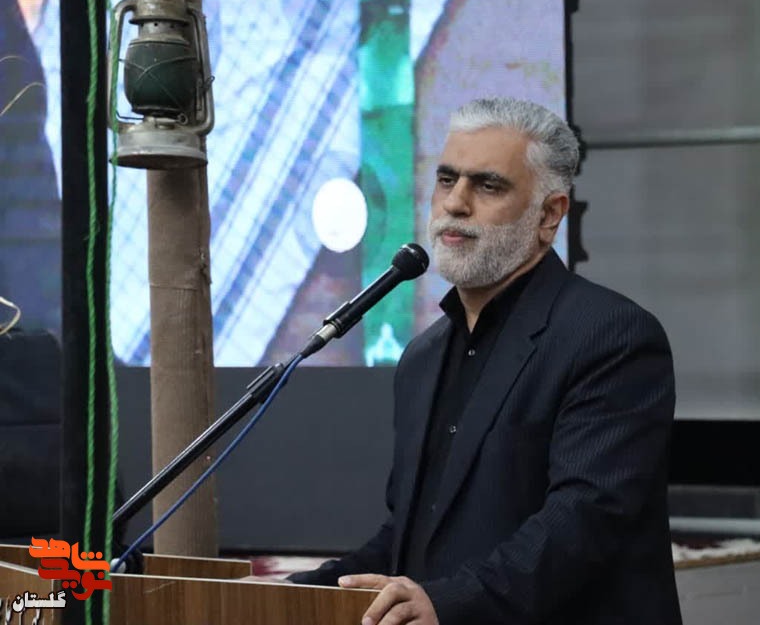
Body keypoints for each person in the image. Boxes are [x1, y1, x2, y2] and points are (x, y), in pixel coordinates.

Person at [288, 97, 682, 625]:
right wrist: (295, 593)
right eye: (446, 180)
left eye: (488, 185)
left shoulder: (611, 336)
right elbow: (412, 537)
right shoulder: (423, 358)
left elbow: (585, 521)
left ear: (549, 215)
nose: (455, 203)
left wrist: (449, 602)